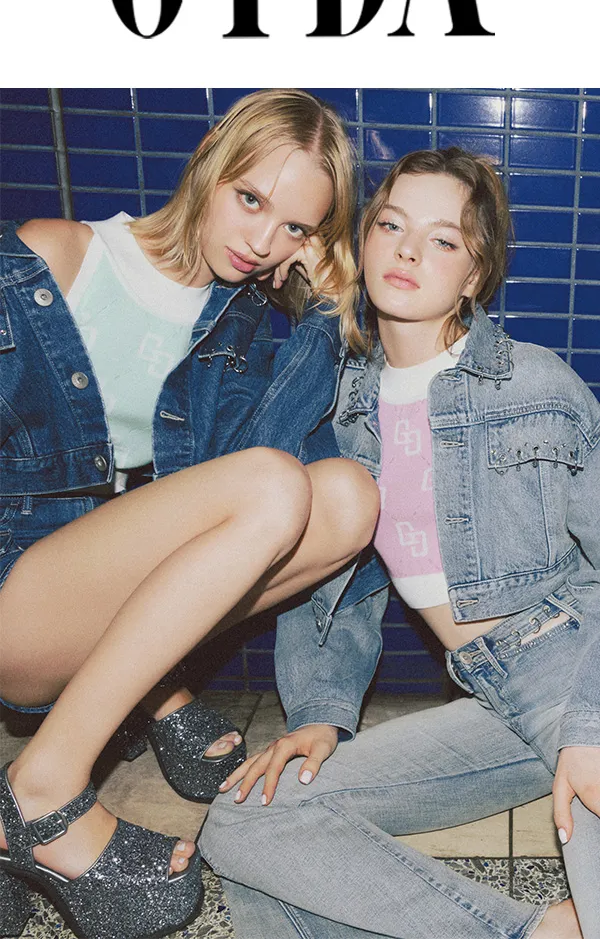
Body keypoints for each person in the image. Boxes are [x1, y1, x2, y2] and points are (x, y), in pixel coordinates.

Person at [0, 89, 381, 939]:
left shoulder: (237, 320)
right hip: (15, 592)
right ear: (212, 153)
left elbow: (258, 494)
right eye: (250, 198)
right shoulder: (60, 255)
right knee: (274, 487)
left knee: (347, 497)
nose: (261, 241)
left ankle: (147, 695)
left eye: (294, 227)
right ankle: (42, 788)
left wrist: (323, 311)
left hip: (91, 606)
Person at [203, 147, 600, 939]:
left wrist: (589, 726)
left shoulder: (537, 383)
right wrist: (321, 710)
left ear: (475, 274)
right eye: (391, 225)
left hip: (577, 671)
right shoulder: (345, 403)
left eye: (444, 239)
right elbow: (335, 577)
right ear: (365, 240)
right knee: (247, 819)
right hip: (489, 699)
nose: (410, 250)